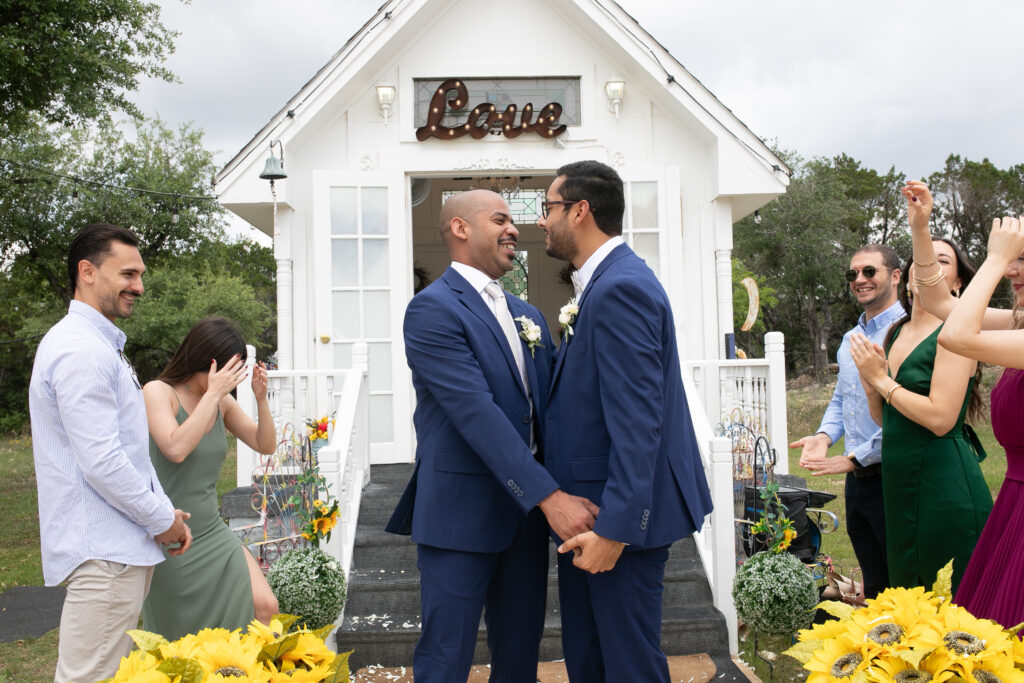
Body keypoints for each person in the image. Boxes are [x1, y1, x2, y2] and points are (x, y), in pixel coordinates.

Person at [385, 189, 600, 682]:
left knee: (521, 656)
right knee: (446, 657)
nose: (515, 230)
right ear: (461, 228)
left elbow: (552, 411)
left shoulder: (528, 315)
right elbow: (475, 414)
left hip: (523, 519)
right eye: (500, 219)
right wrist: (552, 498)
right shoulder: (432, 310)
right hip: (460, 513)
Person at [538, 160, 714, 683]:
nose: (541, 222)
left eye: (548, 208)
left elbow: (640, 422)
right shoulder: (603, 284)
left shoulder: (621, 288)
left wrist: (616, 529)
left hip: (614, 522)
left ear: (580, 210)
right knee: (592, 664)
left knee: (628, 669)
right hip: (594, 514)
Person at [29, 223, 193, 683]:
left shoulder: (96, 345)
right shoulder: (81, 350)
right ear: (87, 271)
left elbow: (125, 448)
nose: (138, 286)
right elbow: (102, 462)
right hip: (106, 556)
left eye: (139, 275)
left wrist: (160, 510)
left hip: (115, 551)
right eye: (128, 274)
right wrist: (162, 521)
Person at [903, 179, 1024, 628]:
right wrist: (920, 228)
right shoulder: (1018, 324)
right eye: (1013, 261)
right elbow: (938, 302)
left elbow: (957, 337)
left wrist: (994, 259)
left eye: (1022, 261)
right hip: (1013, 506)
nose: (1013, 271)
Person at [848, 239, 991, 592]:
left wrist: (881, 379)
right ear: (909, 277)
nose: (927, 266)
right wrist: (871, 385)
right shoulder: (897, 331)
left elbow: (941, 419)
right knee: (909, 597)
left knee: (952, 595)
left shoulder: (957, 331)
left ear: (957, 284)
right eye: (921, 260)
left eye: (941, 260)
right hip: (898, 483)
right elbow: (889, 420)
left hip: (943, 482)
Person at [141, 317, 279, 639]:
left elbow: (266, 444)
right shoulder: (158, 393)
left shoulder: (222, 402)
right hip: (172, 536)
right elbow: (176, 447)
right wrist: (212, 395)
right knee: (184, 639)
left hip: (212, 531)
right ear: (207, 362)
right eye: (228, 373)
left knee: (266, 606)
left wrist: (260, 398)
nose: (231, 384)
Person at [792, 244, 904, 600]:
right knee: (875, 585)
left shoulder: (906, 334)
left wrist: (853, 458)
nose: (859, 279)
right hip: (859, 484)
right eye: (852, 274)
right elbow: (842, 399)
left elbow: (904, 415)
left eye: (870, 272)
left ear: (896, 276)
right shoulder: (850, 339)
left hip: (897, 477)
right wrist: (824, 437)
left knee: (906, 584)